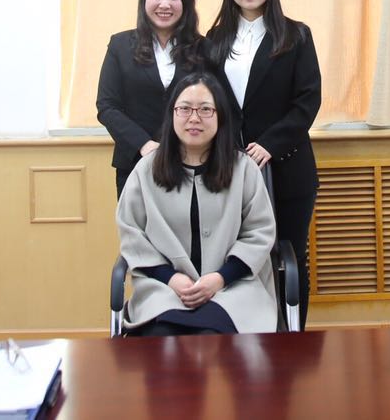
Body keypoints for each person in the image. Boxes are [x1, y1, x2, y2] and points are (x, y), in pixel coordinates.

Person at [205, 0, 321, 328]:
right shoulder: (215, 39)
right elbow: (210, 101)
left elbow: (308, 101)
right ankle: (248, 335)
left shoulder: (296, 35)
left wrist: (271, 144)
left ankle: (292, 338)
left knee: (290, 258)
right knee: (236, 259)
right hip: (230, 170)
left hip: (287, 169)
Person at [116, 72, 278, 336]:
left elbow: (259, 233)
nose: (194, 118)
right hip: (165, 290)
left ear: (220, 116)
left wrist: (220, 278)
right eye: (184, 109)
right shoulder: (146, 169)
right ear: (172, 114)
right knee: (162, 340)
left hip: (232, 289)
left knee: (214, 340)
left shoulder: (243, 169)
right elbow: (132, 234)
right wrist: (171, 278)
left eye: (205, 109)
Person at [97, 0, 202, 199]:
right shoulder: (120, 45)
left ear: (186, 3)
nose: (165, 4)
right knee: (136, 223)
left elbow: (214, 106)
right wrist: (144, 144)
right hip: (135, 161)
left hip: (191, 163)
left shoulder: (204, 48)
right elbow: (107, 106)